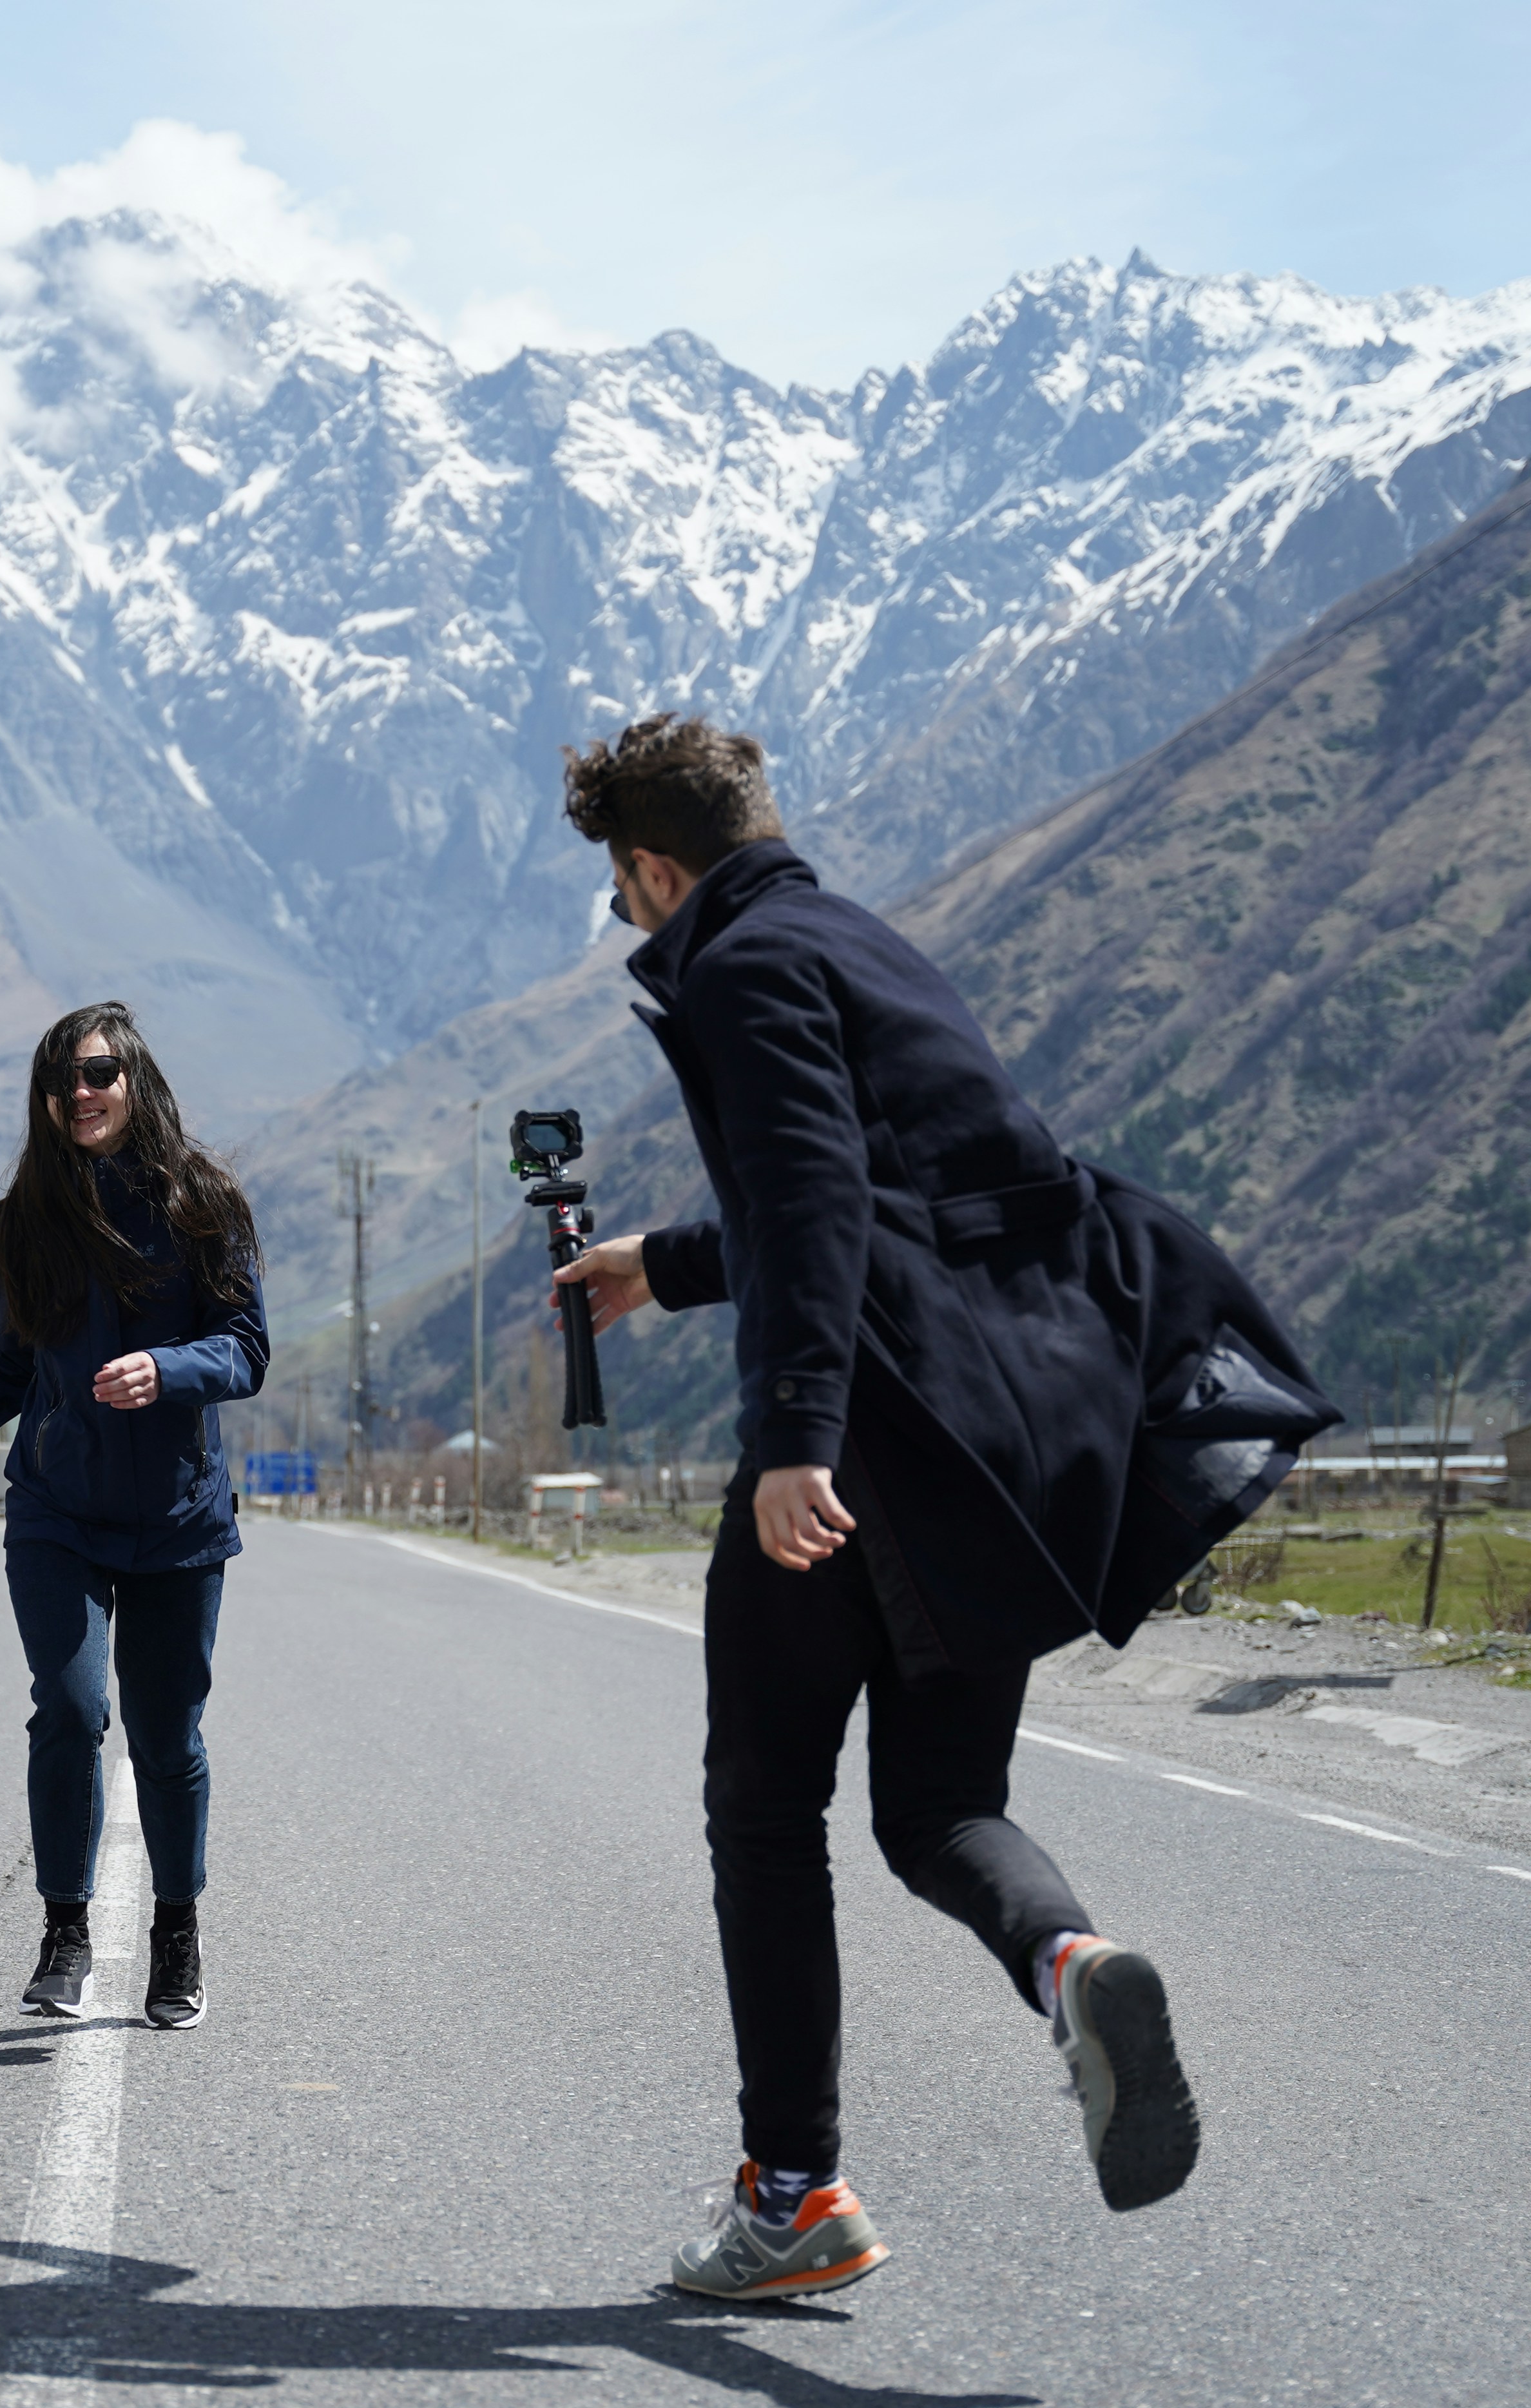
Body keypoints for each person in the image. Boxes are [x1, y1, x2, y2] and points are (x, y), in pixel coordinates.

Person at [549, 714, 1331, 2303]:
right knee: (939, 1805)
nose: (630, 924)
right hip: (1011, 1432)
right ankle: (1074, 1962)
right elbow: (903, 1186)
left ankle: (795, 2196)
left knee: (765, 1806)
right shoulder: (856, 937)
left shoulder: (739, 965)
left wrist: (795, 1437)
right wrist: (674, 1260)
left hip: (871, 1445)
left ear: (650, 867)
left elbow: (825, 1196)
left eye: (624, 895)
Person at [0, 1002, 269, 2030]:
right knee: (67, 1708)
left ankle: (177, 1935)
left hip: (180, 1520)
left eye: (98, 1074)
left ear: (134, 1078)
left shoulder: (204, 1203)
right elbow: (10, 1363)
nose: (81, 1095)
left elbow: (246, 1347)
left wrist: (172, 1368)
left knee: (165, 1731)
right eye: (61, 1083)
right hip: (57, 1510)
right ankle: (65, 1933)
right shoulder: (25, 1224)